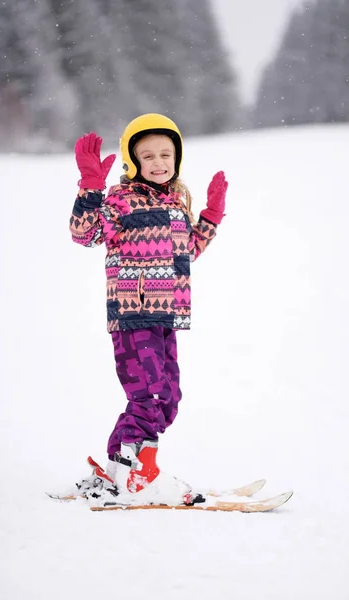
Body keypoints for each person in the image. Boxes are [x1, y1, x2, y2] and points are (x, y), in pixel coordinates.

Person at [70, 113, 228, 502]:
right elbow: (84, 233)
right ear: (132, 160)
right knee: (149, 395)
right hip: (132, 314)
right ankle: (139, 473)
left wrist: (210, 216)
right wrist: (92, 185)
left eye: (166, 154)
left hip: (166, 315)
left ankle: (117, 471)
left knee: (168, 398)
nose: (159, 162)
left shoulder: (175, 203)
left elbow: (186, 252)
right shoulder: (121, 201)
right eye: (148, 155)